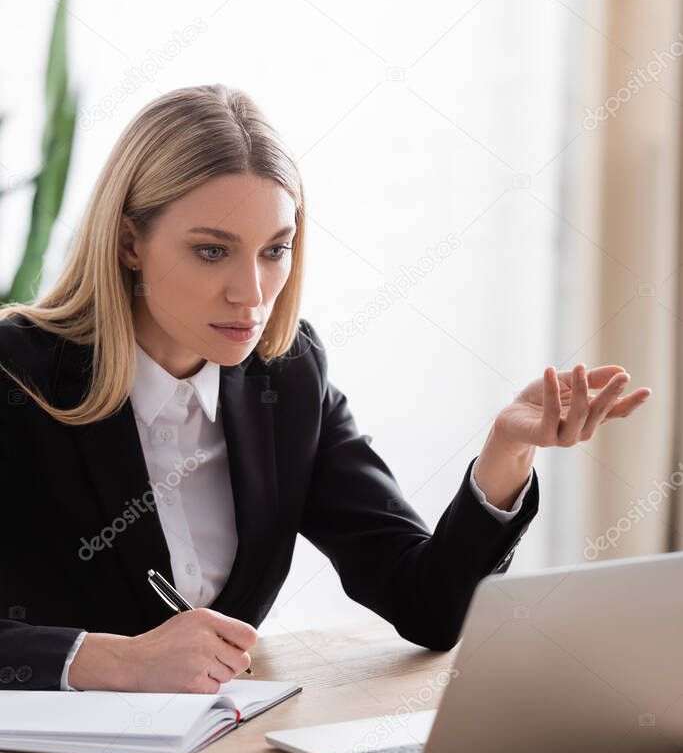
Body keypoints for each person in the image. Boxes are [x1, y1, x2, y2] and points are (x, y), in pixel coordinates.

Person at [0, 84, 651, 693]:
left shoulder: (285, 378)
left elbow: (429, 605)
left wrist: (506, 452)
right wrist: (119, 660)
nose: (250, 293)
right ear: (128, 242)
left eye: (274, 250)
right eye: (211, 251)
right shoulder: (17, 373)